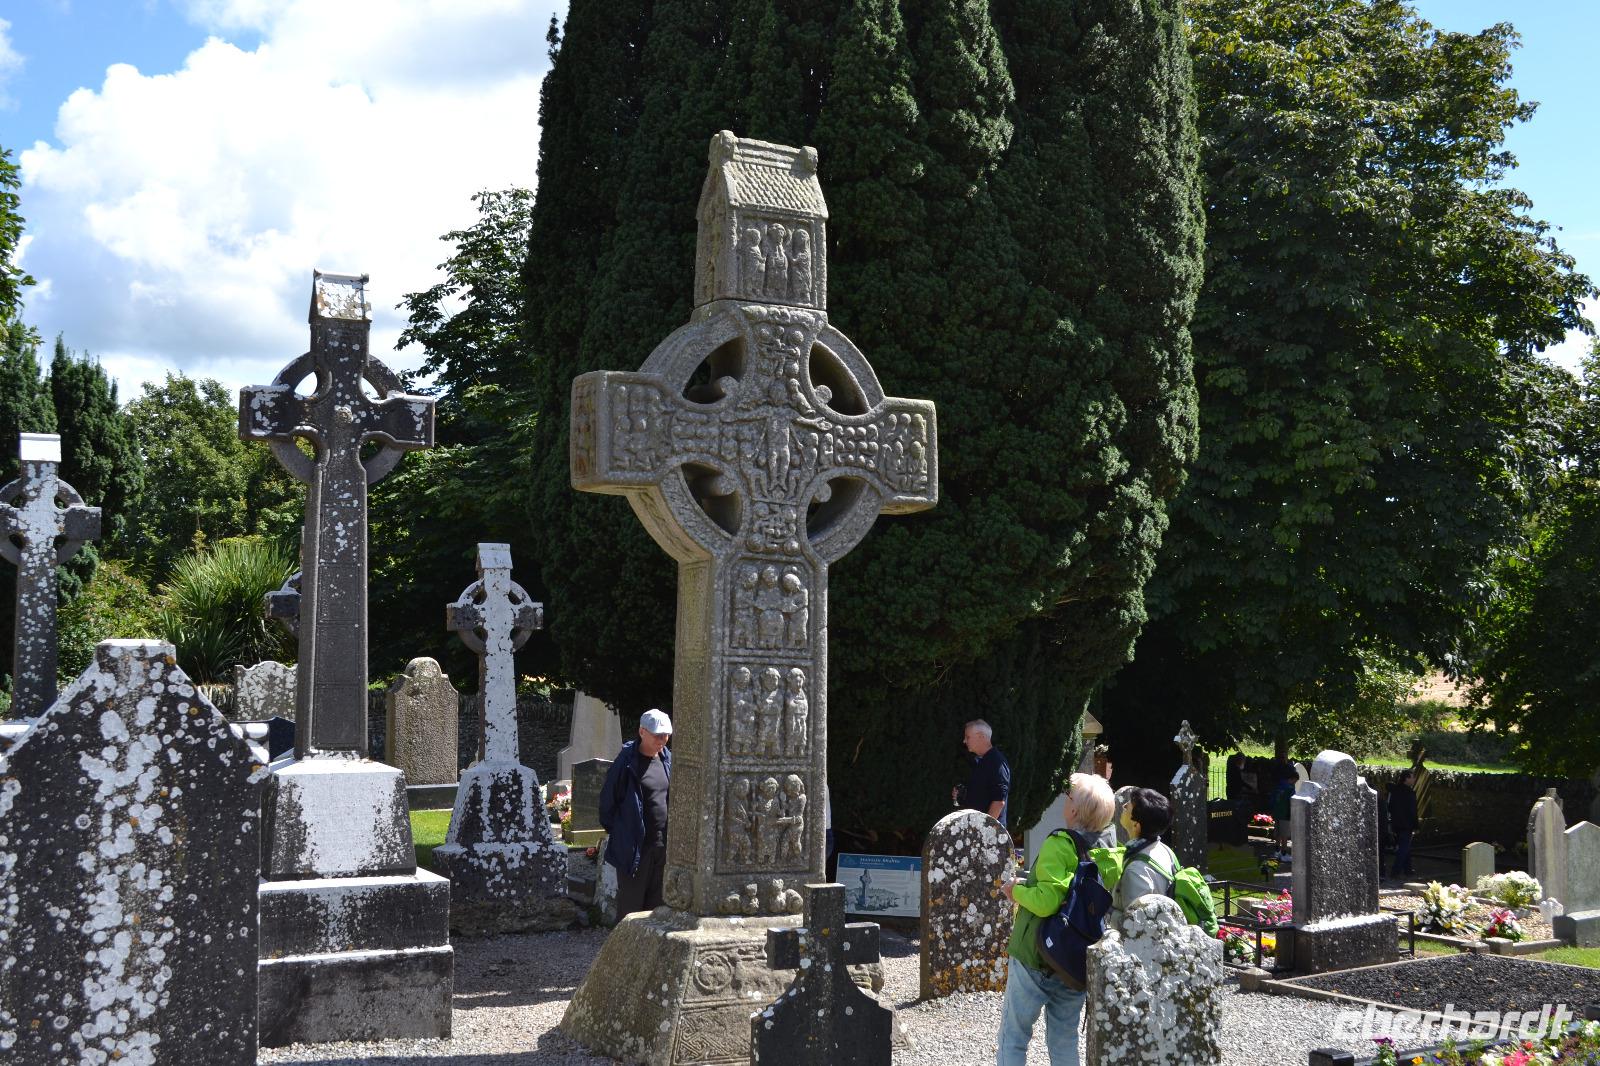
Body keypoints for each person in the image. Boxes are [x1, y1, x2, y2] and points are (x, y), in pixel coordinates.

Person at [997, 773, 1116, 1066]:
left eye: (1070, 796)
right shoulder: (1109, 854)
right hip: (1075, 960)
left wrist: (1016, 890)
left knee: (1014, 1037)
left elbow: (1046, 902)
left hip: (1036, 953)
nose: (1066, 799)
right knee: (1064, 1041)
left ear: (1074, 811)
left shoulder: (1059, 844)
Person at [599, 708, 673, 917]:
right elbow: (607, 805)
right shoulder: (626, 763)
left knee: (656, 910)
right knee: (631, 911)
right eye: (657, 735)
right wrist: (623, 833)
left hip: (662, 847)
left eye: (666, 735)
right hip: (634, 849)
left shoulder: (668, 760)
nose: (663, 739)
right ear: (642, 732)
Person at [1109, 788, 1178, 931]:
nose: (1124, 806)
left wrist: (1106, 912)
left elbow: (1135, 926)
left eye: (1129, 806)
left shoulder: (1136, 870)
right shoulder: (1165, 850)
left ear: (1136, 825)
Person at [952, 719, 1011, 826]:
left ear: (981, 736)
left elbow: (998, 802)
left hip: (989, 836)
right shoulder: (979, 762)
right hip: (977, 831)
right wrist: (963, 794)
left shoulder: (997, 762)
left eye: (968, 737)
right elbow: (981, 795)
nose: (964, 741)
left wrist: (983, 830)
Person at [1388, 769, 1418, 880]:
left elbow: (1390, 807)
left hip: (1397, 824)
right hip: (1406, 824)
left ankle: (1408, 869)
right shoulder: (1410, 793)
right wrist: (1416, 826)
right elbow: (1412, 811)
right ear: (1406, 779)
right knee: (1404, 848)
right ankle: (1395, 871)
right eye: (1412, 777)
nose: (1414, 779)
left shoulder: (1395, 791)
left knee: (1406, 847)